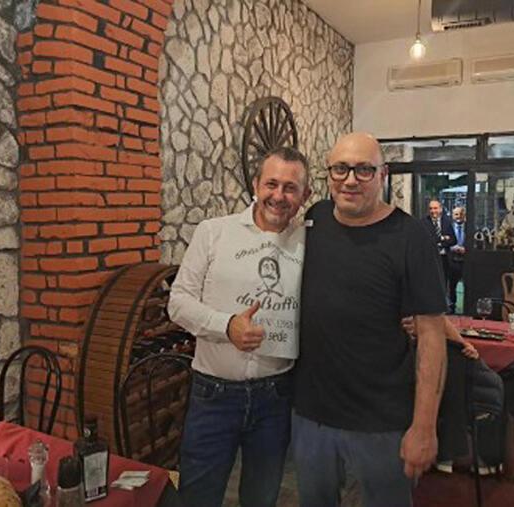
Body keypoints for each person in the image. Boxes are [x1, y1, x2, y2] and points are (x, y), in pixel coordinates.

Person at [293, 132, 448, 507]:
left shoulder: (411, 236)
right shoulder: (315, 219)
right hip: (311, 415)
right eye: (341, 169)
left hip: (382, 420)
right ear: (329, 173)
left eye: (364, 170)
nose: (350, 180)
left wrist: (424, 426)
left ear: (383, 174)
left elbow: (432, 335)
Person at [167, 147, 311, 507]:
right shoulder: (213, 233)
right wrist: (226, 325)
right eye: (271, 184)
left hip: (276, 396)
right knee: (198, 497)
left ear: (305, 195)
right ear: (256, 185)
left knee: (262, 497)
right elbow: (178, 302)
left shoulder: (311, 243)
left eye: (290, 188)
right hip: (213, 395)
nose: (279, 195)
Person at [422, 200, 457, 298]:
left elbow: (453, 240)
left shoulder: (447, 222)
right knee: (430, 283)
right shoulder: (423, 222)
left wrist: (440, 242)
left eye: (435, 208)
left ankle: (444, 303)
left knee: (443, 283)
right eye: (431, 208)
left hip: (444, 258)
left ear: (440, 209)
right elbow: (425, 240)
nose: (433, 211)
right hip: (430, 259)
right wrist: (443, 238)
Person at [448, 206, 466, 314]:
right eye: (456, 214)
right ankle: (452, 306)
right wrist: (452, 248)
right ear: (452, 216)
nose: (458, 216)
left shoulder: (469, 228)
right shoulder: (448, 228)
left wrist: (466, 249)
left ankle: (467, 307)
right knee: (451, 286)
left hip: (466, 262)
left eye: (461, 214)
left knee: (467, 285)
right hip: (452, 261)